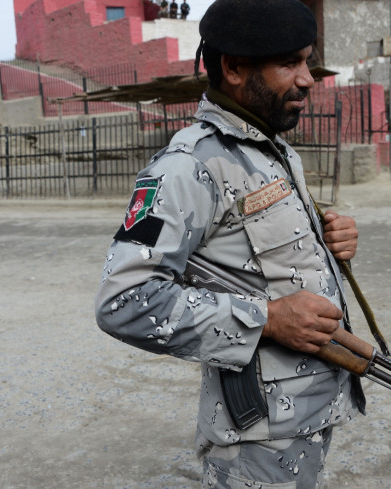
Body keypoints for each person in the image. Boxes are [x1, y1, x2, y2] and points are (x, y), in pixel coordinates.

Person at [94, 0, 365, 487]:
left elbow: (262, 255)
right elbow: (123, 302)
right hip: (255, 437)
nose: (307, 78)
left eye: (307, 60)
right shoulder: (187, 165)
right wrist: (269, 318)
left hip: (306, 413)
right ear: (234, 68)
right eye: (289, 63)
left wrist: (330, 238)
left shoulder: (272, 148)